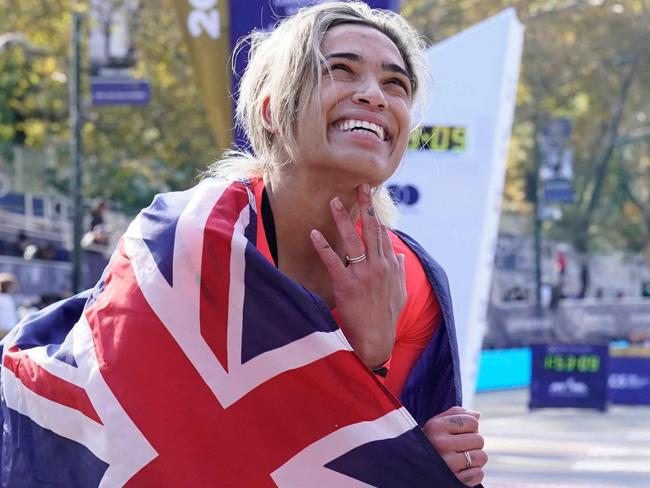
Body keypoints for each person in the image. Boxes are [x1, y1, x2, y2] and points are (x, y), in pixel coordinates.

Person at [0, 3, 485, 486]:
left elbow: (373, 454)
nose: (374, 96)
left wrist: (432, 453)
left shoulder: (415, 281)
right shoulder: (180, 244)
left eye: (395, 84)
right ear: (273, 109)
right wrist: (362, 355)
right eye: (340, 69)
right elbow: (139, 437)